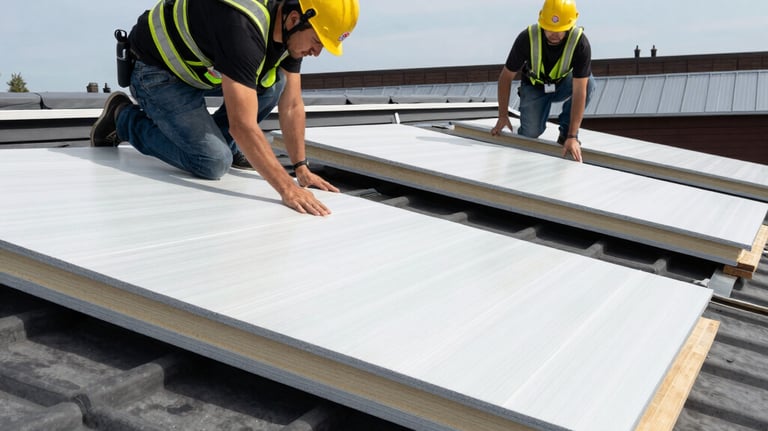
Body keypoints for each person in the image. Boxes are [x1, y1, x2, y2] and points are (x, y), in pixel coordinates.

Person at [90, 0, 359, 216]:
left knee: (274, 84)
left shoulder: (289, 33)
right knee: (213, 163)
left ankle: (224, 145)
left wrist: (301, 168)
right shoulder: (243, 28)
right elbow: (241, 125)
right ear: (294, 19)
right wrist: (287, 189)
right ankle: (122, 118)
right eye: (317, 42)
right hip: (156, 74)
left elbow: (292, 105)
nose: (317, 52)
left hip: (195, 70)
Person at [491, 0, 595, 162]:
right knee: (530, 134)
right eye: (550, 28)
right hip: (535, 88)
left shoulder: (580, 43)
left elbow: (580, 90)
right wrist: (503, 115)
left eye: (560, 30)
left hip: (563, 84)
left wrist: (572, 136)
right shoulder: (527, 38)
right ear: (542, 21)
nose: (555, 34)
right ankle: (530, 122)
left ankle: (565, 134)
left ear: (570, 25)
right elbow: (505, 77)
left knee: (589, 83)